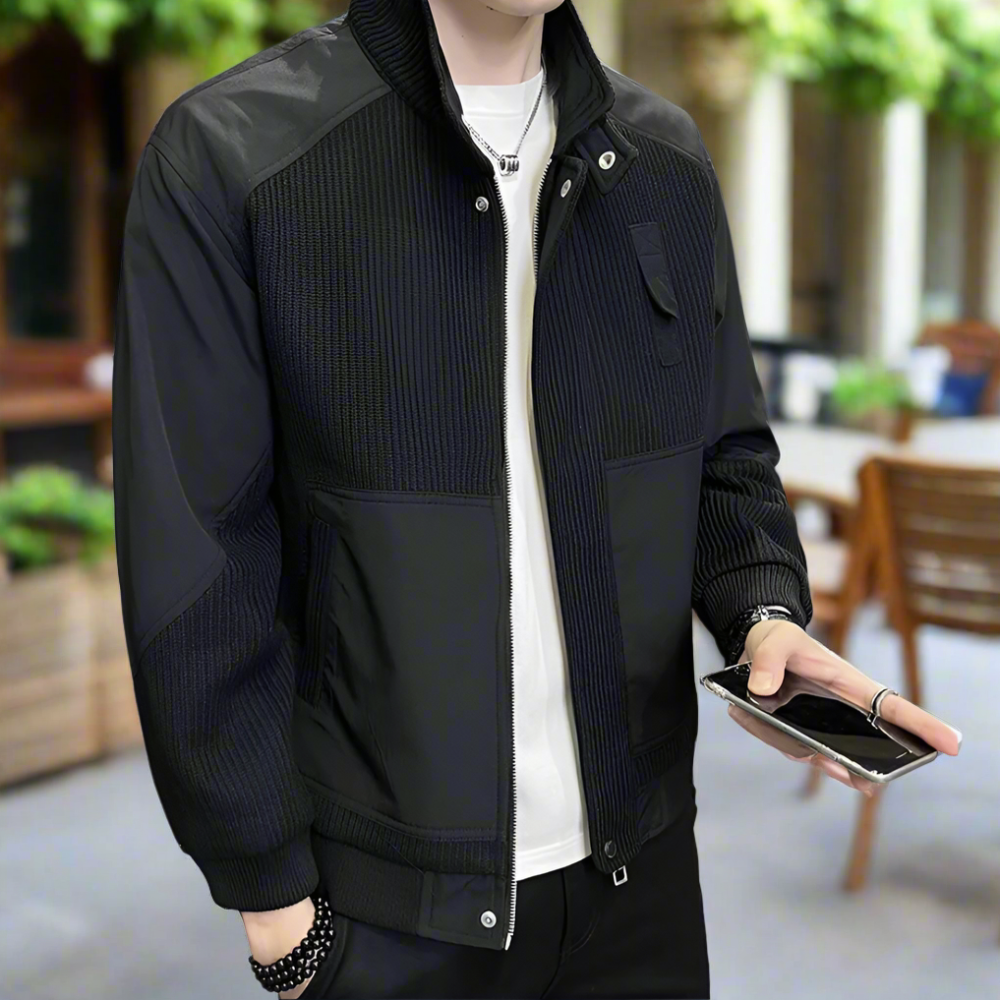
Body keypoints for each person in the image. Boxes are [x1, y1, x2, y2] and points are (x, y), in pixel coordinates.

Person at [111, 1, 960, 997]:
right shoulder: (235, 152)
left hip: (640, 879)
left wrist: (762, 608)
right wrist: (277, 913)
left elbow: (724, 452)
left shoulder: (663, 160)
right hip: (384, 907)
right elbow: (196, 550)